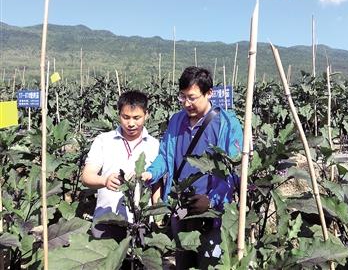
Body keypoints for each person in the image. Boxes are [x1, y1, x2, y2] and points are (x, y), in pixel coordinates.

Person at [141, 66, 243, 269]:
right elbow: (165, 156)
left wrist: (212, 200)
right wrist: (150, 173)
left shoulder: (227, 124)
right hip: (181, 207)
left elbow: (235, 170)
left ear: (209, 93)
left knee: (209, 262)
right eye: (183, 97)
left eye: (192, 97)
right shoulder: (177, 120)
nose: (187, 103)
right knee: (183, 262)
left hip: (212, 213)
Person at [81, 90, 159, 242]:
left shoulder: (154, 145)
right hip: (107, 219)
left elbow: (157, 183)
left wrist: (158, 215)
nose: (131, 123)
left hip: (140, 222)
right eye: (126, 117)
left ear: (147, 115)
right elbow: (86, 176)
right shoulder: (103, 140)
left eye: (137, 118)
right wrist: (104, 181)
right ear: (118, 115)